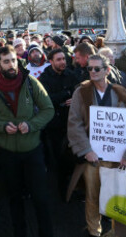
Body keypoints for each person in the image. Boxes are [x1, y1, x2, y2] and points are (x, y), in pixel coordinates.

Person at [0, 45, 54, 237]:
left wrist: (32, 124)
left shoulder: (31, 83)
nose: (12, 65)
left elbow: (48, 109)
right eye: (6, 61)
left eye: (13, 60)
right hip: (7, 153)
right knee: (14, 199)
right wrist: (2, 126)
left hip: (33, 150)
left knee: (41, 198)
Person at [67, 54, 126, 237]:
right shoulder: (81, 92)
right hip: (93, 158)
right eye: (89, 69)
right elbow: (74, 122)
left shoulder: (122, 93)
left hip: (119, 158)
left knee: (118, 199)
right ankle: (94, 231)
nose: (92, 72)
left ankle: (119, 234)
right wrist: (86, 150)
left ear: (107, 70)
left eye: (96, 69)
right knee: (92, 198)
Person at [38, 48, 79, 199]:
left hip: (71, 122)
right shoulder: (44, 78)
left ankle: (74, 187)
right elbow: (46, 99)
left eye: (64, 59)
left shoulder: (71, 74)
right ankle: (63, 191)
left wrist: (73, 97)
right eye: (59, 60)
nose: (63, 62)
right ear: (51, 61)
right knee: (59, 158)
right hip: (54, 124)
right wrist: (67, 94)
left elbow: (79, 91)